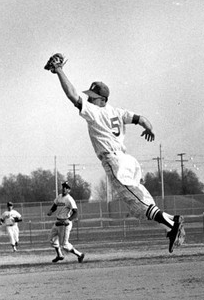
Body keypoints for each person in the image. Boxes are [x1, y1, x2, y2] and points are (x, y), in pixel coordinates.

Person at [44, 53, 185, 253]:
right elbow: (141, 119)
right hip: (128, 161)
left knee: (138, 206)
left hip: (114, 162)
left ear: (102, 99)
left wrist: (59, 70)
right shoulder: (117, 112)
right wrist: (149, 127)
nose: (89, 99)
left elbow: (72, 96)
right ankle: (171, 221)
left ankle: (172, 226)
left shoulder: (96, 112)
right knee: (142, 199)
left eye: (93, 97)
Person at [46, 181, 85, 263]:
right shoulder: (59, 197)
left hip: (65, 223)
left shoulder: (69, 199)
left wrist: (69, 219)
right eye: (63, 187)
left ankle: (80, 255)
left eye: (66, 187)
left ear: (69, 190)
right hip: (57, 221)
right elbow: (55, 205)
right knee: (52, 239)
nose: (64, 189)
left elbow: (76, 212)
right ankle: (59, 255)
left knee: (65, 245)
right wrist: (51, 211)